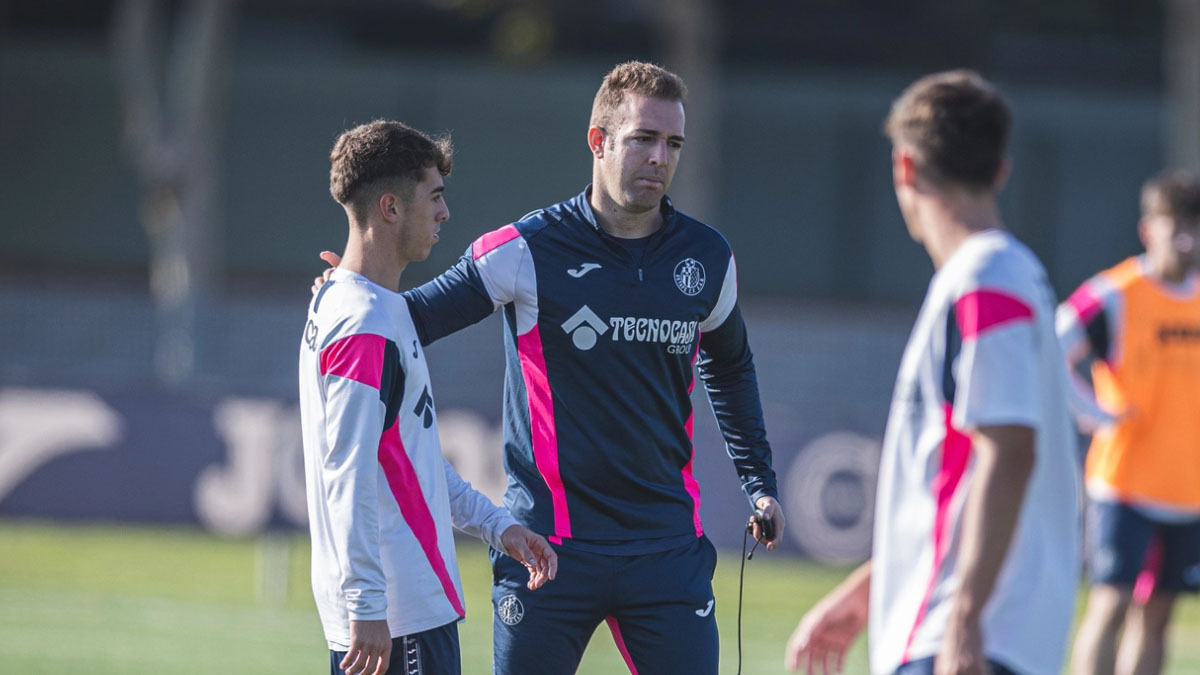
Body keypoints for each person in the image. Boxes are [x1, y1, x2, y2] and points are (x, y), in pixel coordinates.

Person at [315, 61, 784, 674]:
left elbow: (731, 368)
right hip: (547, 551)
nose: (659, 158)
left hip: (666, 548)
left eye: (673, 144)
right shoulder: (525, 249)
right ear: (599, 141)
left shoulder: (707, 258)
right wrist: (352, 293)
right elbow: (406, 322)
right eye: (643, 138)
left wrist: (760, 483)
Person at [783, 70, 1081, 675]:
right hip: (968, 634)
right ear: (1001, 169)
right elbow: (965, 474)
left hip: (962, 641)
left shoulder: (987, 276)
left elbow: (1009, 452)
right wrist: (873, 589)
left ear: (905, 168)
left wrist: (965, 620)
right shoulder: (994, 277)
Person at [299, 120, 557, 675]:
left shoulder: (364, 306)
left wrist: (498, 526)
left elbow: (409, 464)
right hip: (396, 620)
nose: (444, 213)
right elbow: (349, 472)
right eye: (434, 198)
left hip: (402, 612)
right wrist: (367, 605)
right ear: (390, 208)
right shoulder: (364, 321)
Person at [1058, 170, 1200, 675]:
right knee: (1111, 603)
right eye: (1176, 226)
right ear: (1148, 230)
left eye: (1195, 227)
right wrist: (1093, 414)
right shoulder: (1115, 294)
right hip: (1123, 483)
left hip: (1188, 491)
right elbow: (1053, 351)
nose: (1187, 239)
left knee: (1159, 615)